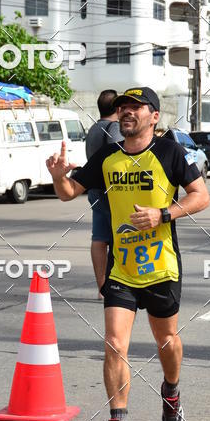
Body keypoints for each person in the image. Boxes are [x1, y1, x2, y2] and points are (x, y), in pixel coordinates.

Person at [46, 86, 210, 421]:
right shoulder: (108, 157)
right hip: (122, 270)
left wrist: (163, 214)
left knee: (166, 341)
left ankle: (171, 389)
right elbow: (69, 192)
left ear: (154, 116)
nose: (127, 112)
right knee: (114, 343)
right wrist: (58, 176)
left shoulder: (170, 152)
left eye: (136, 107)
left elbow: (201, 196)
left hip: (161, 266)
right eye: (122, 107)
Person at [85, 90, 123, 295]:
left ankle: (102, 287)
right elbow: (119, 155)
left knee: (99, 238)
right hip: (113, 189)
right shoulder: (114, 128)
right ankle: (118, 283)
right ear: (117, 108)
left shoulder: (93, 129)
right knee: (120, 235)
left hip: (94, 188)